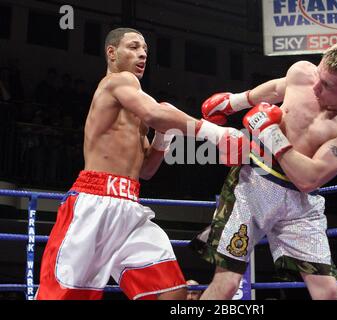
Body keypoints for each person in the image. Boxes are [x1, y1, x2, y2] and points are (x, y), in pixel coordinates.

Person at [35, 27, 244, 300]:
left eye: (145, 49)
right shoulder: (117, 82)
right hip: (93, 203)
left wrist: (162, 139)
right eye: (133, 47)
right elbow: (155, 112)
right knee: (63, 296)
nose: (143, 53)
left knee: (172, 292)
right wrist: (215, 133)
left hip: (130, 207)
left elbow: (146, 170)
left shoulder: (133, 111)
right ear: (111, 53)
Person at [190, 41, 337, 300]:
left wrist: (268, 132)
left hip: (300, 204)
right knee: (227, 284)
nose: (315, 87)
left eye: (327, 85)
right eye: (318, 76)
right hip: (254, 185)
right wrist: (234, 102)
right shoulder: (303, 73)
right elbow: (279, 88)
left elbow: (309, 179)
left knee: (329, 293)